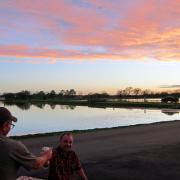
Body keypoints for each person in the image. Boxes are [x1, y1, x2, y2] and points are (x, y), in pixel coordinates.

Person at [0, 107, 52, 180]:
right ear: (5, 126)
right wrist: (47, 155)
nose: (10, 128)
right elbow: (36, 164)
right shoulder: (12, 146)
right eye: (10, 125)